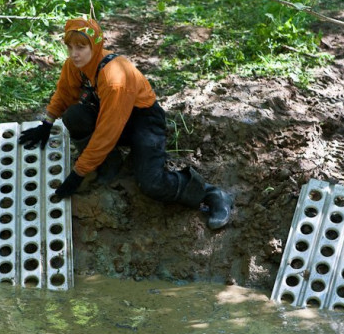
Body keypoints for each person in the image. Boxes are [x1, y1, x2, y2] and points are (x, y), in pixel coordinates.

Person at [18, 17, 233, 229]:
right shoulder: (75, 66)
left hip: (145, 122)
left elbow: (107, 132)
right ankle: (110, 166)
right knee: (74, 116)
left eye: (81, 47)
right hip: (112, 117)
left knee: (151, 183)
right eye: (71, 47)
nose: (74, 53)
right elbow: (64, 94)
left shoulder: (114, 79)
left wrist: (78, 173)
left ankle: (212, 194)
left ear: (95, 46)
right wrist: (47, 123)